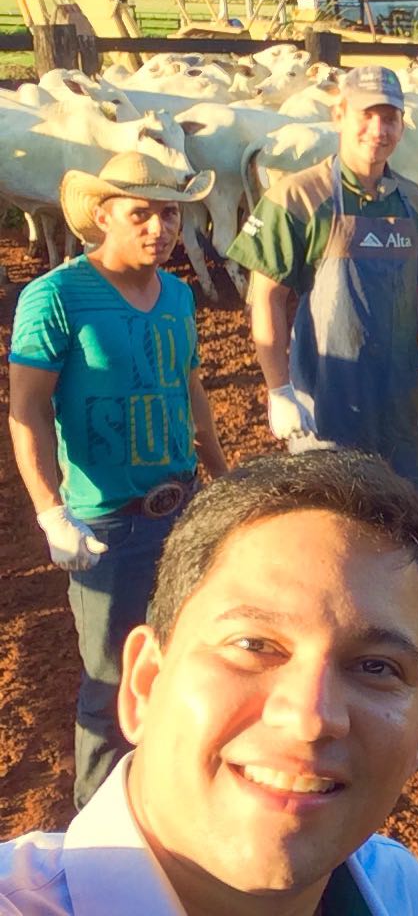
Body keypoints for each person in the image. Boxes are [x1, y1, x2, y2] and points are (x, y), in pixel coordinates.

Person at [0, 450, 418, 915]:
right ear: (146, 683)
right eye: (253, 644)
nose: (310, 718)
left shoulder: (405, 894)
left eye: (377, 667)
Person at [8, 152, 229, 810]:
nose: (160, 227)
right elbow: (27, 410)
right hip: (108, 522)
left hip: (183, 508)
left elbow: (190, 387)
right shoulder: (54, 297)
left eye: (170, 212)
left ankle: (171, 798)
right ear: (102, 215)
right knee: (110, 687)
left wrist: (222, 476)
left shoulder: (179, 294)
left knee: (185, 656)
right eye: (142, 213)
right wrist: (51, 510)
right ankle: (100, 830)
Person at [226, 66, 418, 499]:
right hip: (327, 404)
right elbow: (266, 298)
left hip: (398, 404)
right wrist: (278, 389)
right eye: (366, 115)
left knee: (401, 523)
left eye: (389, 117)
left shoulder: (411, 201)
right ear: (339, 114)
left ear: (402, 126)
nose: (378, 129)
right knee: (329, 519)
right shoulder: (297, 197)